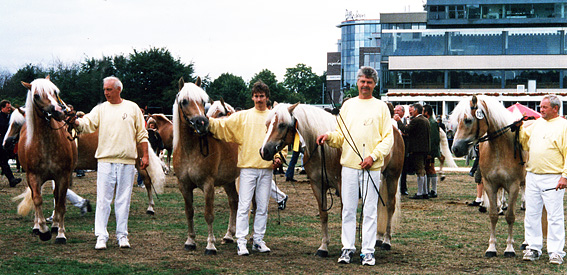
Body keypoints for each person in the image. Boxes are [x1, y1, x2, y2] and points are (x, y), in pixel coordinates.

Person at [317, 66, 394, 266]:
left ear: (374, 85)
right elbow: (340, 136)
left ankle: (368, 251)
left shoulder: (381, 107)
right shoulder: (348, 106)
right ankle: (347, 248)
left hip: (372, 168)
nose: (365, 85)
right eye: (362, 81)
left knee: (369, 210)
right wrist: (328, 137)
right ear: (357, 82)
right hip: (349, 167)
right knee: (348, 210)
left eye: (369, 82)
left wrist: (373, 156)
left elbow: (388, 139)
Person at [207, 80, 283, 256]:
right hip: (247, 168)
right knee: (243, 206)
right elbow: (223, 125)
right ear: (252, 97)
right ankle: (241, 241)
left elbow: (281, 142)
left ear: (267, 97)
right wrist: (207, 122)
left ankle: (258, 240)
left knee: (262, 207)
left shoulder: (274, 117)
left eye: (262, 96)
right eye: (256, 96)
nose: (259, 99)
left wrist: (279, 157)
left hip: (266, 169)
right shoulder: (243, 116)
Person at [73, 76, 149, 250]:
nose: (106, 92)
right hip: (105, 161)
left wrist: (145, 155)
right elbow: (87, 124)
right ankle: (101, 236)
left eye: (109, 89)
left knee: (124, 200)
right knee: (103, 200)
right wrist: (76, 122)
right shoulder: (100, 109)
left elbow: (142, 134)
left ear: (118, 90)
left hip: (128, 162)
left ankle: (122, 236)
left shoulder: (132, 108)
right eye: (104, 89)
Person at [518, 95, 566, 265]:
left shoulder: (564, 126)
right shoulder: (537, 123)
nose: (541, 110)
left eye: (545, 107)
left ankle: (556, 251)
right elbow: (524, 143)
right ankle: (533, 247)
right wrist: (520, 129)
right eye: (540, 107)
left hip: (553, 177)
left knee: (554, 216)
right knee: (531, 214)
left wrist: (564, 176)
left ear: (555, 108)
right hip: (532, 175)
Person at [398, 103, 430, 199]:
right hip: (424, 148)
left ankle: (420, 193)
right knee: (422, 170)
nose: (410, 112)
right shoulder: (425, 120)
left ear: (416, 110)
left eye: (411, 110)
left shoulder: (417, 120)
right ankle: (424, 192)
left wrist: (399, 121)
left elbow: (406, 129)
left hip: (417, 149)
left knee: (419, 170)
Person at [0, 100, 22, 187]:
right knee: (3, 161)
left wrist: (13, 108)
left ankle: (12, 180)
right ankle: (12, 180)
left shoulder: (11, 116)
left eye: (10, 107)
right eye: (7, 107)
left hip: (7, 142)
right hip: (1, 141)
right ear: (2, 108)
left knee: (3, 161)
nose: (9, 109)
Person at [423, 105, 440, 198]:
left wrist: (430, 152)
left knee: (431, 169)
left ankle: (434, 190)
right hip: (429, 149)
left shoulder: (432, 123)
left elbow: (434, 138)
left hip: (431, 150)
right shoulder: (430, 121)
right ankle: (429, 189)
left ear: (426, 112)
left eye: (423, 111)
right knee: (428, 169)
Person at [393, 105, 410, 195]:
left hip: (404, 148)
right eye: (395, 110)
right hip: (394, 148)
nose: (396, 112)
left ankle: (403, 188)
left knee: (403, 170)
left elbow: (408, 132)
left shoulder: (407, 121)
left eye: (398, 111)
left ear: (403, 112)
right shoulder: (391, 121)